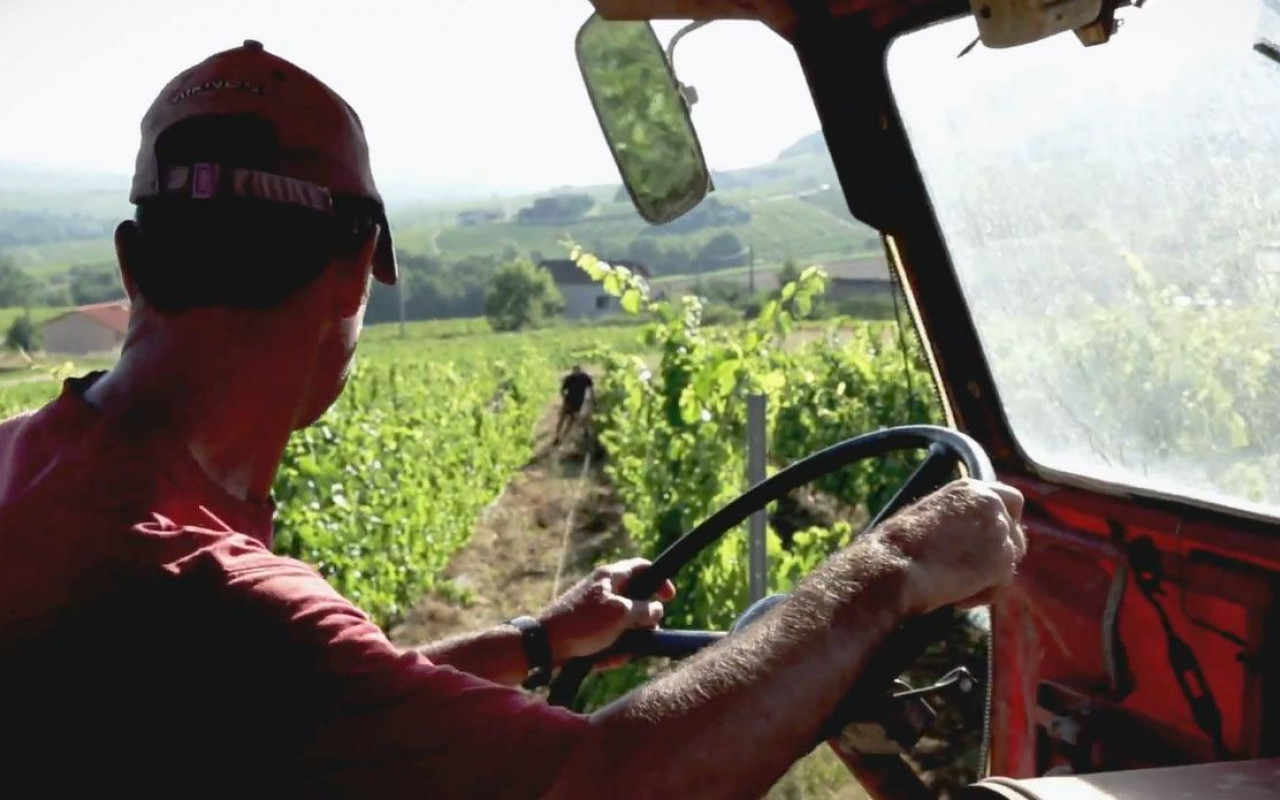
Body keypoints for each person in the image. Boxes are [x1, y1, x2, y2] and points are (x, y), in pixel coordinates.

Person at [0, 42, 1025, 798]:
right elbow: (600, 784)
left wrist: (538, 638)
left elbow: (333, 705)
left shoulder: (38, 474)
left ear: (134, 267)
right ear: (357, 270)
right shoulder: (203, 589)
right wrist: (880, 572)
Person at [553, 365, 594, 445]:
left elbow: (591, 388)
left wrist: (591, 398)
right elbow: (562, 390)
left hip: (575, 403)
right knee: (564, 420)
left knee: (569, 421)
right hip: (570, 402)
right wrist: (564, 397)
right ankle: (558, 436)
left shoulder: (583, 378)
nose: (576, 373)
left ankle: (560, 437)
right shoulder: (572, 378)